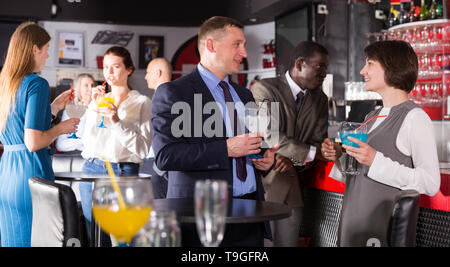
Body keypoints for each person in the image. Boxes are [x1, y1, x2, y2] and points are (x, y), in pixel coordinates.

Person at [151, 16, 279, 247]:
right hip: (199, 220)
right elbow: (165, 155)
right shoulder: (174, 93)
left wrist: (265, 160)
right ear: (211, 45)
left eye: (244, 45)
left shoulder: (245, 95)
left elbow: (251, 146)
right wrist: (226, 149)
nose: (244, 53)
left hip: (249, 217)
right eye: (237, 44)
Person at [321, 40, 440, 247]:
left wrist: (376, 160)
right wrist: (339, 156)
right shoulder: (372, 115)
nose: (362, 70)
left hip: (380, 227)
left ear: (391, 66)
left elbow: (430, 183)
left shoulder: (415, 118)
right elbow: (357, 171)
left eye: (370, 63)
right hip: (353, 219)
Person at [0, 22, 79, 247]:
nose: (46, 56)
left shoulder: (5, 83)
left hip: (6, 175)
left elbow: (19, 125)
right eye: (45, 50)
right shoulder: (37, 83)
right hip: (31, 172)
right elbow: (33, 142)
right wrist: (61, 129)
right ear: (34, 49)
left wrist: (53, 107)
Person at [250, 41, 329, 247]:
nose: (324, 74)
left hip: (293, 191)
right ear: (300, 64)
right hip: (263, 190)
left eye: (326, 69)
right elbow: (269, 134)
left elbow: (317, 142)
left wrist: (299, 159)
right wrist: (313, 152)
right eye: (319, 67)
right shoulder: (264, 89)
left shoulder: (320, 99)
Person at [79, 46, 152, 244]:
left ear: (129, 69)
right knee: (95, 237)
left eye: (116, 66)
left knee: (122, 239)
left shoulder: (142, 102)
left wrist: (117, 121)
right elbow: (86, 141)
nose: (109, 72)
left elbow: (143, 149)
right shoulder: (100, 101)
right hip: (92, 169)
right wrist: (92, 107)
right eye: (105, 67)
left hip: (123, 172)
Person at [141, 57, 172, 199]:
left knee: (158, 210)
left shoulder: (166, 96)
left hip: (158, 165)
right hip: (155, 164)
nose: (146, 77)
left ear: (158, 73)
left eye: (148, 72)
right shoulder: (162, 95)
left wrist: (159, 169)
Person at [55, 73, 96, 152]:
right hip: (79, 156)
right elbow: (61, 144)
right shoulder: (70, 110)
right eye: (86, 85)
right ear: (78, 89)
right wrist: (85, 140)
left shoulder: (101, 109)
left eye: (92, 85)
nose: (91, 89)